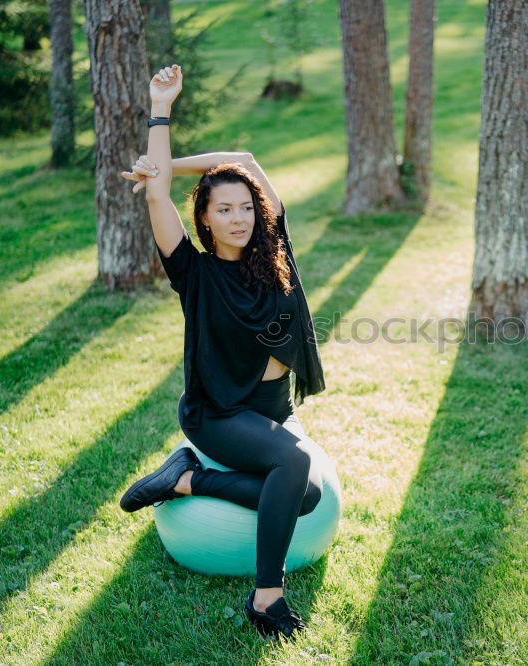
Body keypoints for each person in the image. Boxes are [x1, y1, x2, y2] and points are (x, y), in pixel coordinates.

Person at [116, 64, 326, 642]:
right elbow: (157, 195)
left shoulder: (273, 247)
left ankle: (186, 480)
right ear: (203, 219)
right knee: (294, 465)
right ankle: (267, 595)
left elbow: (244, 160)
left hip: (268, 409)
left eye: (245, 207)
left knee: (304, 495)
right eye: (224, 210)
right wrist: (162, 107)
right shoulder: (195, 272)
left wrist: (176, 165)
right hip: (220, 413)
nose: (239, 218)